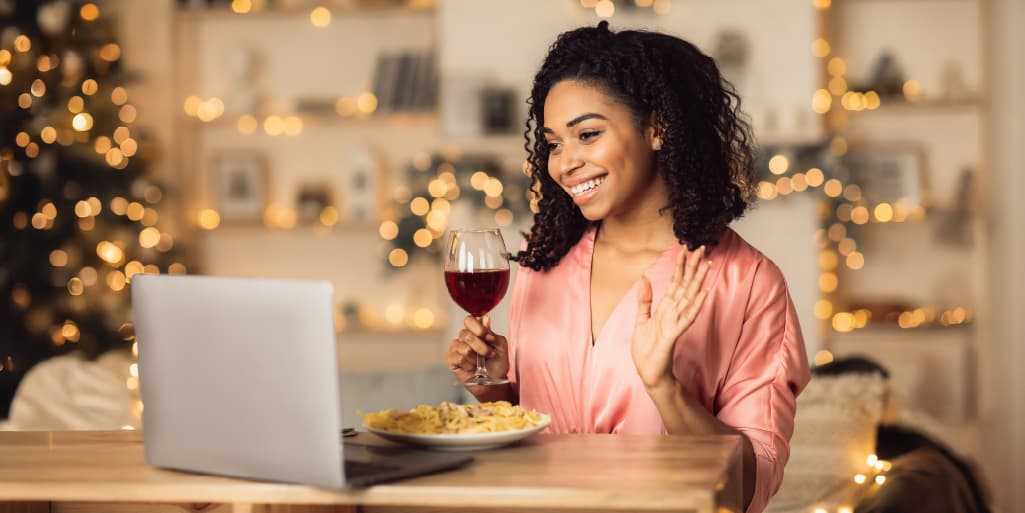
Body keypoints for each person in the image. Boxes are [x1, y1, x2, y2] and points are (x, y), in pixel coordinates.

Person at [445, 21, 810, 513]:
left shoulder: (747, 283)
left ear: (658, 127)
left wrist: (666, 387)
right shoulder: (543, 262)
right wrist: (493, 390)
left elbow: (750, 484)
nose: (565, 163)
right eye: (554, 143)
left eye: (588, 135)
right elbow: (536, 442)